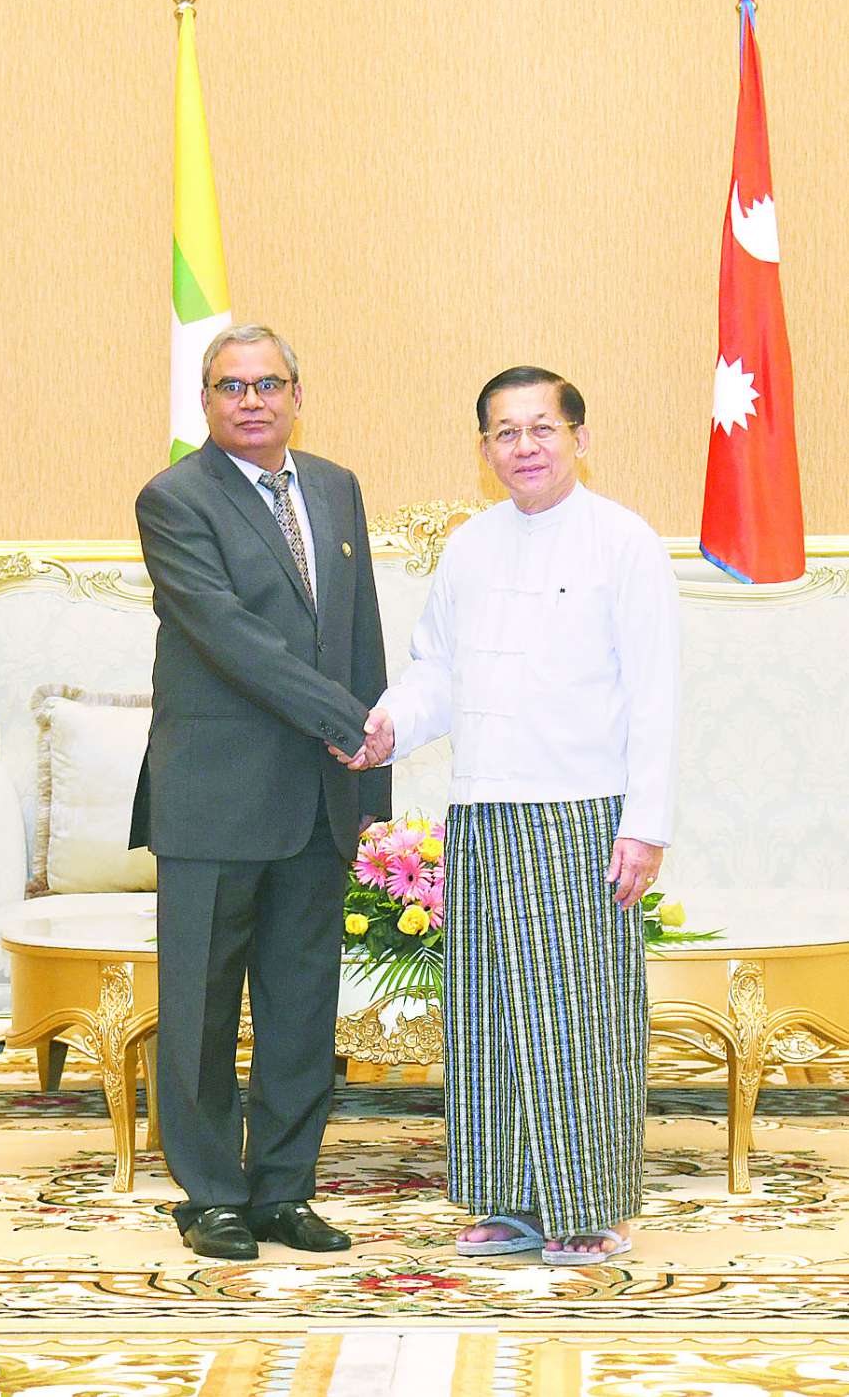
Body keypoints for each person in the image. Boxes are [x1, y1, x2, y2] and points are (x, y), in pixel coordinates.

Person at [337, 366, 679, 1266]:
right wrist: (389, 726)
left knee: (581, 1019)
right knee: (489, 1015)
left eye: (542, 428)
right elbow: (437, 671)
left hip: (584, 815)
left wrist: (645, 824)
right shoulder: (470, 547)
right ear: (484, 448)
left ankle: (592, 1207)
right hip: (484, 812)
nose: (524, 447)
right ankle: (511, 1202)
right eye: (505, 432)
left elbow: (656, 693)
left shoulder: (624, 542)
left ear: (579, 438)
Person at [131, 323, 391, 1261]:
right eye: (231, 386)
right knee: (200, 1012)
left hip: (319, 798)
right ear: (205, 401)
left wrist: (371, 785)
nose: (252, 400)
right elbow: (230, 637)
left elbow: (358, 633)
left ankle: (283, 1191)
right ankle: (210, 1197)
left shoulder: (334, 487)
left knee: (301, 1008)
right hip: (213, 800)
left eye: (268, 383)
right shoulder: (174, 499)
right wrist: (349, 720)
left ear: (296, 394)